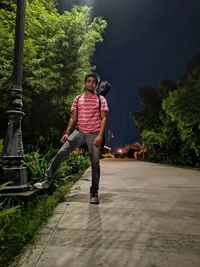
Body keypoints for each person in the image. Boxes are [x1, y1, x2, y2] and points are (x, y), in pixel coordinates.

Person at [34, 72, 109, 204]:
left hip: (94, 134)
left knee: (95, 163)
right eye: (89, 81)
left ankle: (94, 193)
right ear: (85, 83)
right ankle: (47, 180)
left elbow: (103, 119)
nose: (91, 84)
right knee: (61, 152)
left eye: (94, 82)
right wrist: (67, 132)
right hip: (79, 132)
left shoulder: (100, 99)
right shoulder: (78, 98)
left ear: (96, 85)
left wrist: (100, 136)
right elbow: (73, 118)